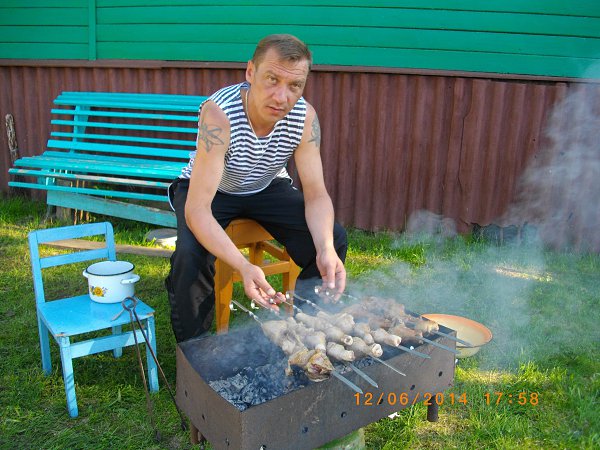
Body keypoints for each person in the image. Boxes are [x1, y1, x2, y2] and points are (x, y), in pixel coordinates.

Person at [165, 34, 348, 343]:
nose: (281, 97)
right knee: (189, 255)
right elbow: (197, 210)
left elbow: (316, 193)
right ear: (250, 72)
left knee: (333, 237)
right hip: (213, 189)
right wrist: (243, 266)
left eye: (294, 86)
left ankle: (306, 332)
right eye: (272, 80)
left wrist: (326, 248)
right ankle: (196, 349)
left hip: (265, 184)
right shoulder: (218, 115)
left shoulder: (305, 118)